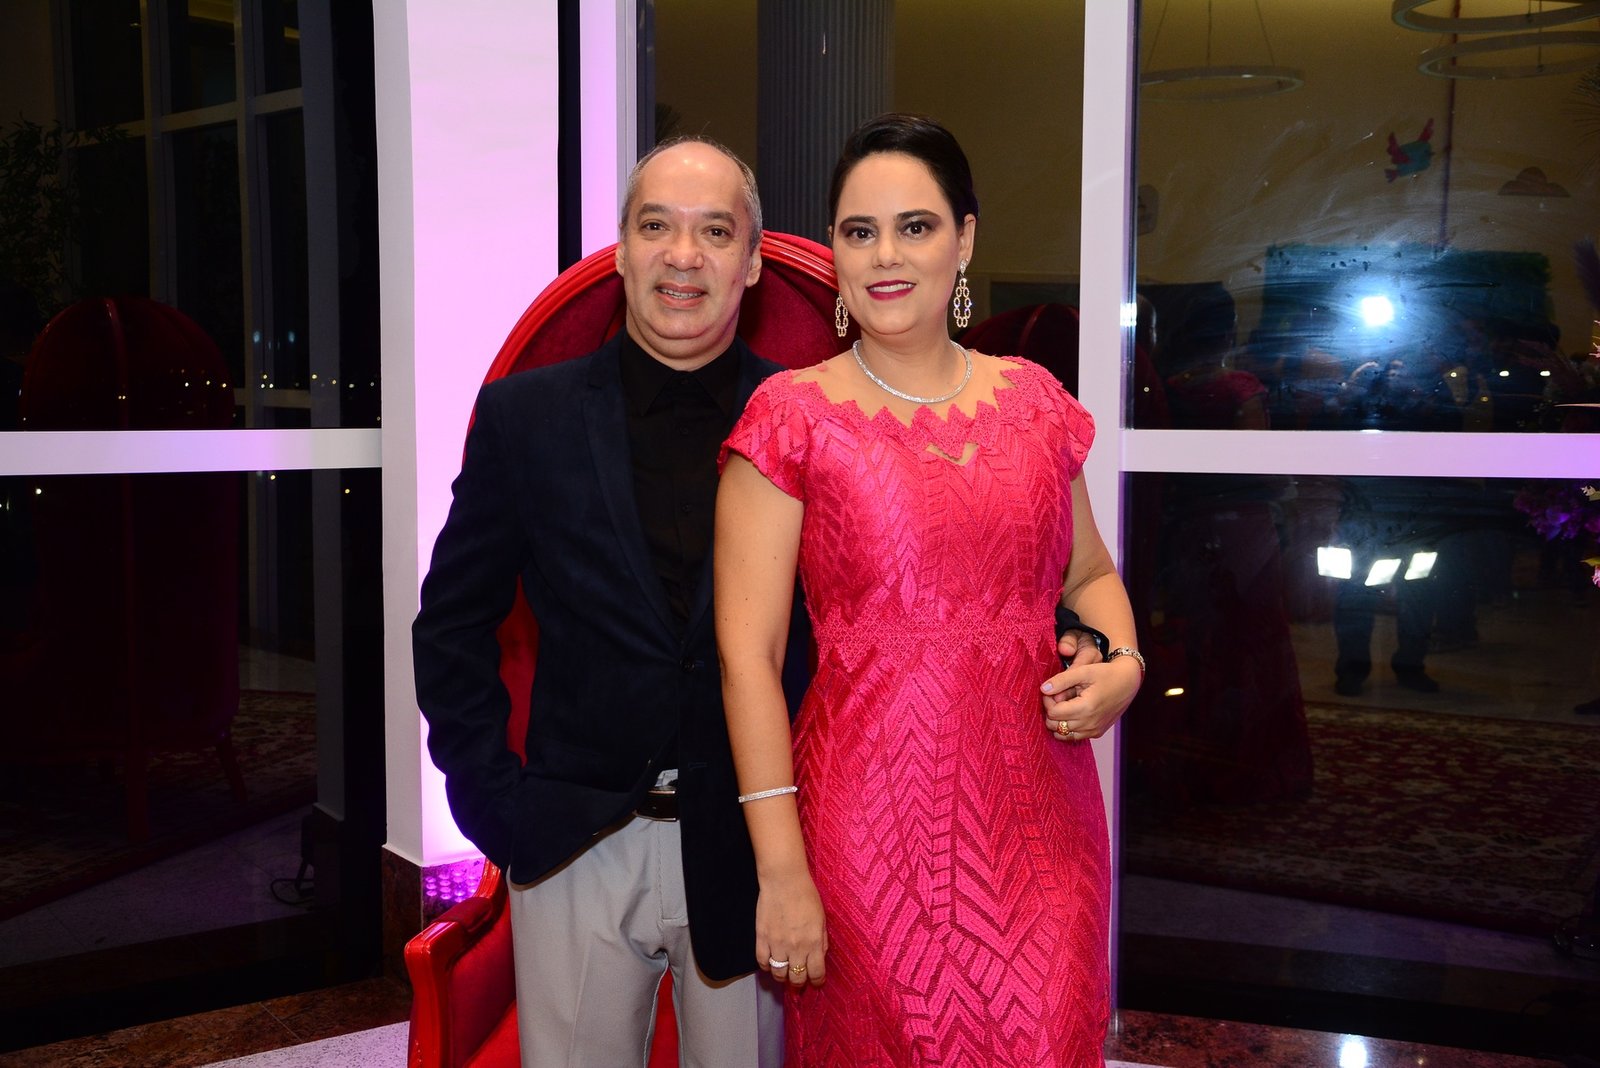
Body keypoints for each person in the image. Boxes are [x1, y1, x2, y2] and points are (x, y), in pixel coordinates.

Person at [412, 136, 1112, 1067]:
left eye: (715, 232)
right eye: (655, 227)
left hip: (754, 842)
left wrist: (1089, 641)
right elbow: (453, 623)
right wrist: (493, 806)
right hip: (575, 839)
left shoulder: (808, 416)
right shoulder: (524, 418)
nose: (683, 255)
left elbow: (944, 568)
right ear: (619, 249)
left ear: (752, 262)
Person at [714, 114, 1142, 1066]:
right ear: (833, 249)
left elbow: (1090, 575)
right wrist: (782, 870)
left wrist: (1124, 665)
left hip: (1043, 821)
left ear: (965, 239)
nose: (885, 256)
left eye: (915, 227)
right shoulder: (791, 418)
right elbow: (749, 660)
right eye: (859, 231)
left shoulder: (1035, 404)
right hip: (868, 832)